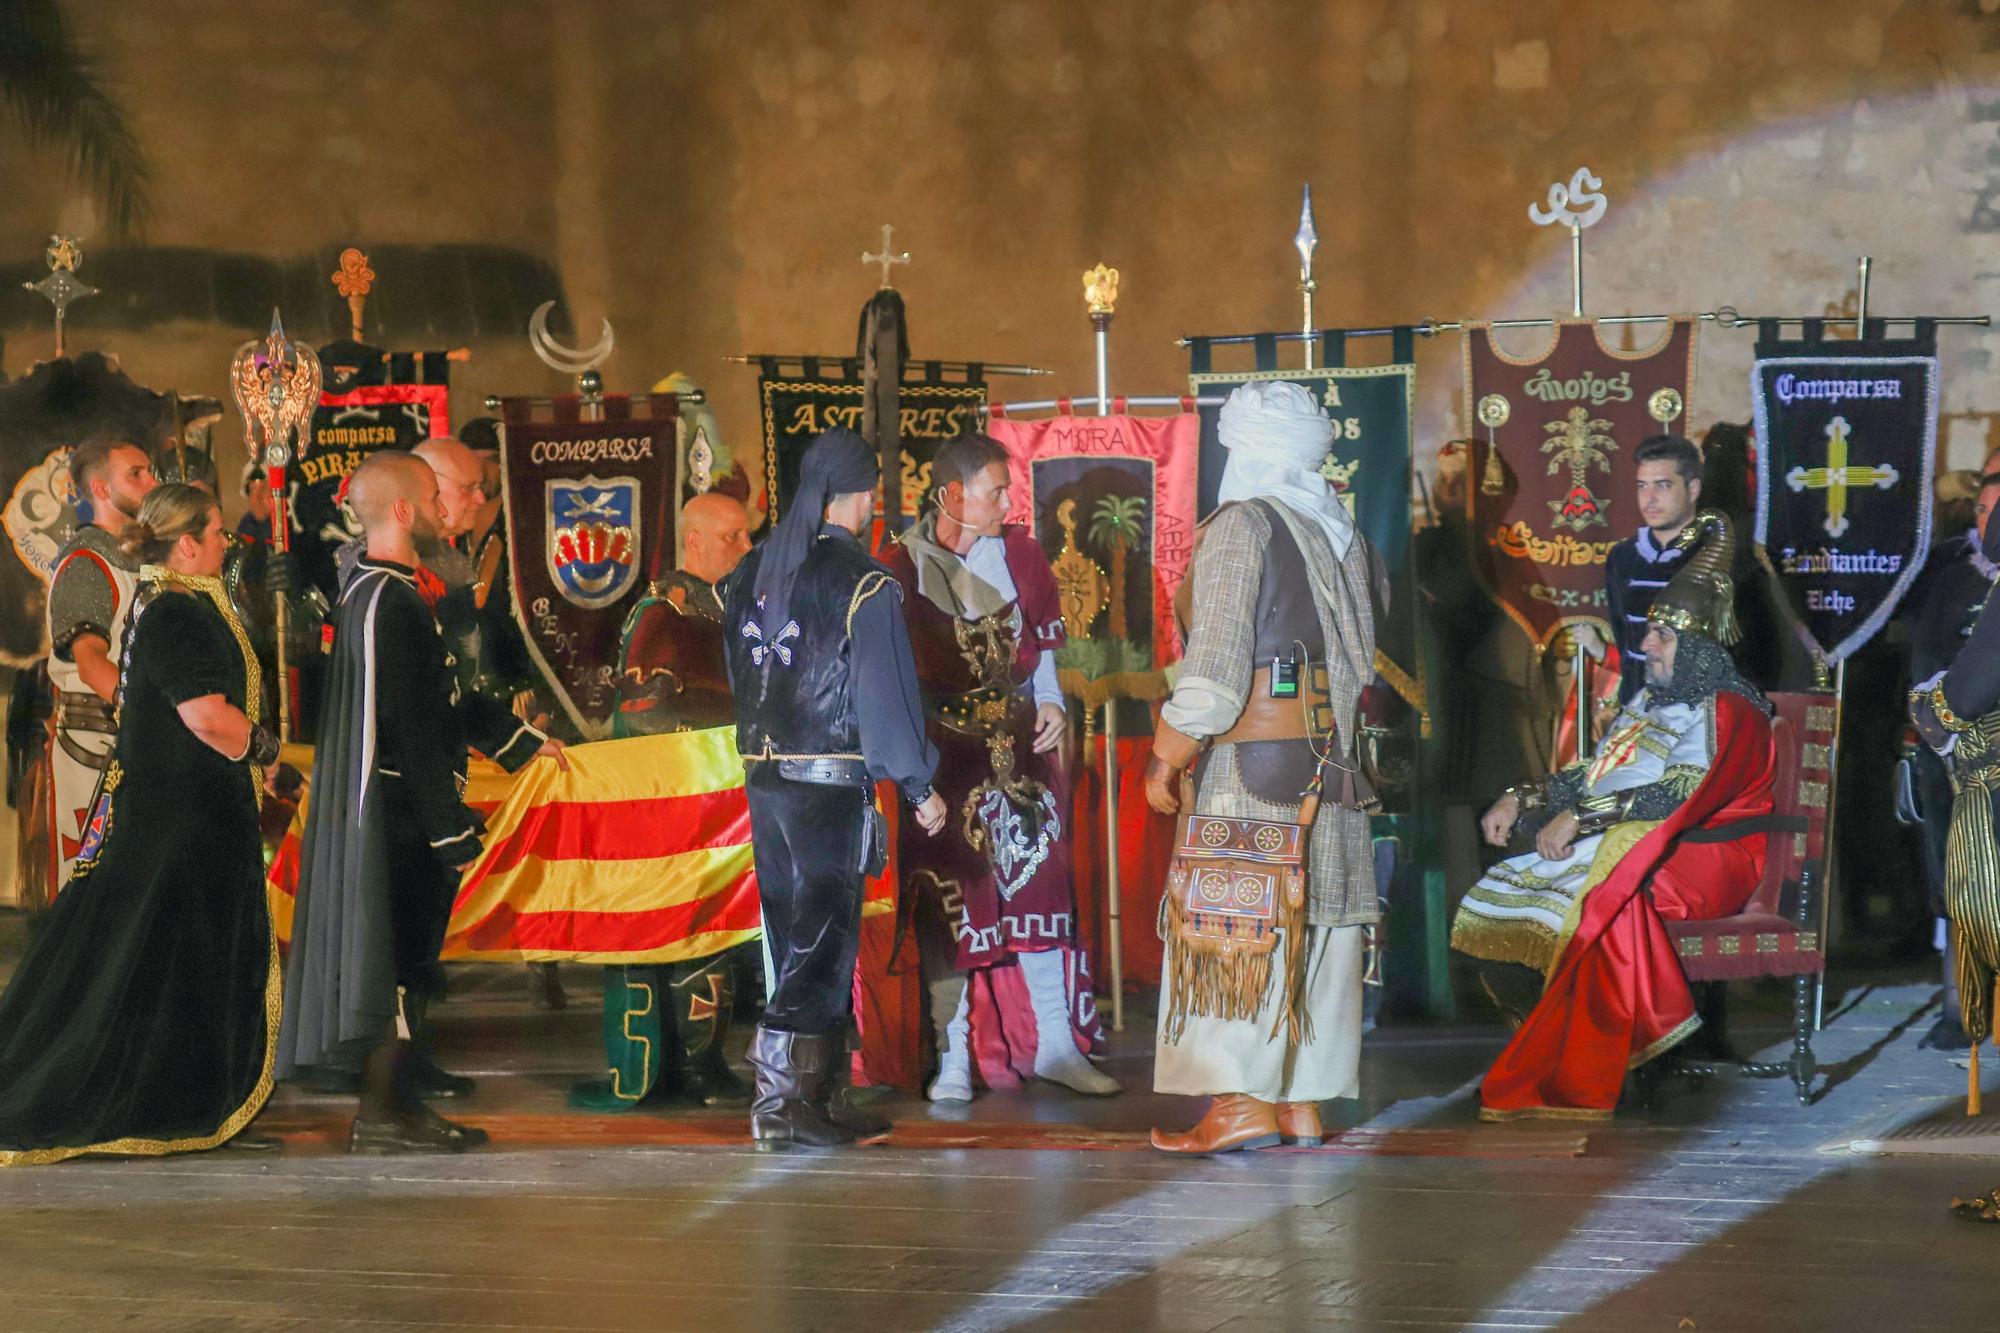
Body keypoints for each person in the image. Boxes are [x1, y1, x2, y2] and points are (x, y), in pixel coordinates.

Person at [277, 451, 566, 1154]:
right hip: (398, 818)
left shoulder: (394, 593)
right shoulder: (387, 600)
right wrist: (447, 830)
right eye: (436, 500)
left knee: (407, 965)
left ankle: (394, 1107)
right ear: (404, 510)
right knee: (399, 964)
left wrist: (521, 742)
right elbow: (411, 727)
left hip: (404, 814)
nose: (447, 512)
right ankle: (385, 1112)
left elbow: (445, 702)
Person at [1454, 511, 1776, 1120]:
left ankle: (1599, 1061)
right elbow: (1595, 770)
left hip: (1699, 856)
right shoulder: (1650, 697)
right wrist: (1523, 796)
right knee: (1495, 910)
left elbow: (1679, 793)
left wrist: (1581, 820)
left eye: (1664, 636)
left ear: (1702, 647)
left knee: (1590, 911)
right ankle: (1543, 1050)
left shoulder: (1727, 711)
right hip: (1629, 840)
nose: (1645, 645)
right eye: (1650, 630)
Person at [0, 484, 283, 1164]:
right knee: (148, 964)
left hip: (186, 814)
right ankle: (160, 1098)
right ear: (186, 543)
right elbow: (206, 715)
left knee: (153, 958)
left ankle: (181, 1091)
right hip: (180, 820)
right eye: (216, 533)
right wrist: (273, 756)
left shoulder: (175, 606)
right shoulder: (177, 614)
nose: (225, 542)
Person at [1142, 381, 1380, 1155]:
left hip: (1254, 773)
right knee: (1317, 925)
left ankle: (1242, 1101)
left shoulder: (1245, 525)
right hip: (1335, 770)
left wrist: (1166, 756)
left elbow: (1211, 677)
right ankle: (1302, 1104)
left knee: (1237, 931)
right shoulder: (1343, 529)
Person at [721, 428, 946, 1150]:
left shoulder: (750, 572)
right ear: (863, 495)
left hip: (765, 779)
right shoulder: (866, 582)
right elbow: (884, 697)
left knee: (798, 939)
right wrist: (919, 787)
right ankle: (782, 1106)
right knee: (823, 941)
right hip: (827, 784)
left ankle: (819, 1095)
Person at [879, 434, 1115, 1103]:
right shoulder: (898, 567)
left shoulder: (1021, 552)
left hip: (1018, 745)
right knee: (952, 904)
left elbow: (1040, 643)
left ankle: (1057, 1045)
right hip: (943, 754)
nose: (1009, 501)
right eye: (995, 489)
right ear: (952, 494)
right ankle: (952, 1057)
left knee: (1041, 889)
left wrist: (1050, 705)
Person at [570, 490, 755, 1111]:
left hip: (720, 802)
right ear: (695, 542)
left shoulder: (728, 608)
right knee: (671, 933)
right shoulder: (661, 613)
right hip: (671, 805)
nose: (747, 548)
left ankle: (705, 1061)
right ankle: (660, 1067)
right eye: (734, 537)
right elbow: (644, 715)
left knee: (717, 931)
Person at [1903, 454, 2000, 1052]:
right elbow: (1930, 659)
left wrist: (1937, 717)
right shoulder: (1956, 577)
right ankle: (1960, 1009)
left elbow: (1969, 684)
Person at [43, 433, 157, 893]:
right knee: (94, 890)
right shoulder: (86, 564)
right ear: (102, 490)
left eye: (151, 471)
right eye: (137, 473)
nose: (153, 481)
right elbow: (91, 664)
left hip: (135, 745)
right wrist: (154, 715)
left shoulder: (140, 565)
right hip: (93, 752)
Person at [1588, 435, 1707, 705]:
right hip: (1636, 711)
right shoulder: (1623, 558)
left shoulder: (1718, 555)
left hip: (1700, 717)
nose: (1649, 499)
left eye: (1663, 486)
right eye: (1642, 486)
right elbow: (1623, 639)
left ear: (1693, 490)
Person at [237, 462, 274, 546]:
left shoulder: (289, 525)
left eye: (264, 489)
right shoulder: (246, 525)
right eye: (252, 490)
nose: (258, 497)